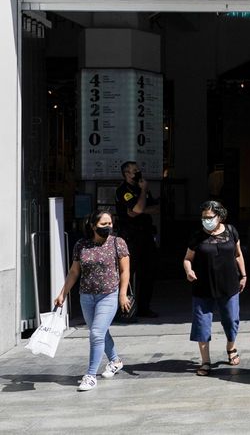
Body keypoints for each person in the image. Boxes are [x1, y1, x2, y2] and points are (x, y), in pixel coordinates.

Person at [54, 210, 131, 391]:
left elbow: (125, 271)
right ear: (93, 225)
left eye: (110, 223)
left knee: (96, 333)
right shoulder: (82, 245)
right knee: (100, 332)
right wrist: (62, 294)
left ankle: (90, 375)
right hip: (86, 296)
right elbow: (74, 272)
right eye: (103, 224)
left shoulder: (117, 243)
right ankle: (115, 361)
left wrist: (122, 294)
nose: (108, 227)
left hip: (108, 294)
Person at [183, 201, 247, 376]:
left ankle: (231, 347)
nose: (206, 220)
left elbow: (238, 255)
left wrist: (244, 275)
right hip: (203, 286)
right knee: (202, 324)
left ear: (220, 216)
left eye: (210, 217)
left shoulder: (231, 231)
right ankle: (205, 361)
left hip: (229, 284)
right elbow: (187, 258)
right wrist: (189, 271)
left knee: (231, 319)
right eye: (204, 217)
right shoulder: (197, 236)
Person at [115, 161, 159, 317]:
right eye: (134, 171)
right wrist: (143, 195)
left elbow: (155, 208)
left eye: (138, 169)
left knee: (149, 271)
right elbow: (137, 210)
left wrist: (140, 209)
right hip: (130, 236)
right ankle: (124, 308)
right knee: (127, 271)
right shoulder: (123, 190)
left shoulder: (142, 189)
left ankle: (144, 307)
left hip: (146, 235)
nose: (138, 172)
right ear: (126, 173)